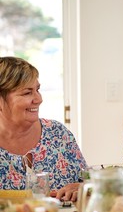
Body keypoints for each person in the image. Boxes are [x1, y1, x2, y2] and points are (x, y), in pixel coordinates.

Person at [0, 56, 87, 201]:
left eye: (37, 90)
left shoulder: (58, 134)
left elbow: (88, 183)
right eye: (27, 93)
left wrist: (82, 187)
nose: (39, 99)